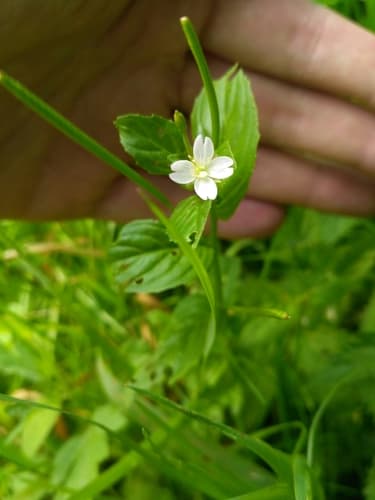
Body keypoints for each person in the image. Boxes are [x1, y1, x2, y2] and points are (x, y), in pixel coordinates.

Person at [0, 0, 374, 238]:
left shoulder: (204, 164)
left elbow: (211, 166)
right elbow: (199, 172)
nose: (199, 168)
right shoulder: (194, 169)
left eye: (200, 165)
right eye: (197, 166)